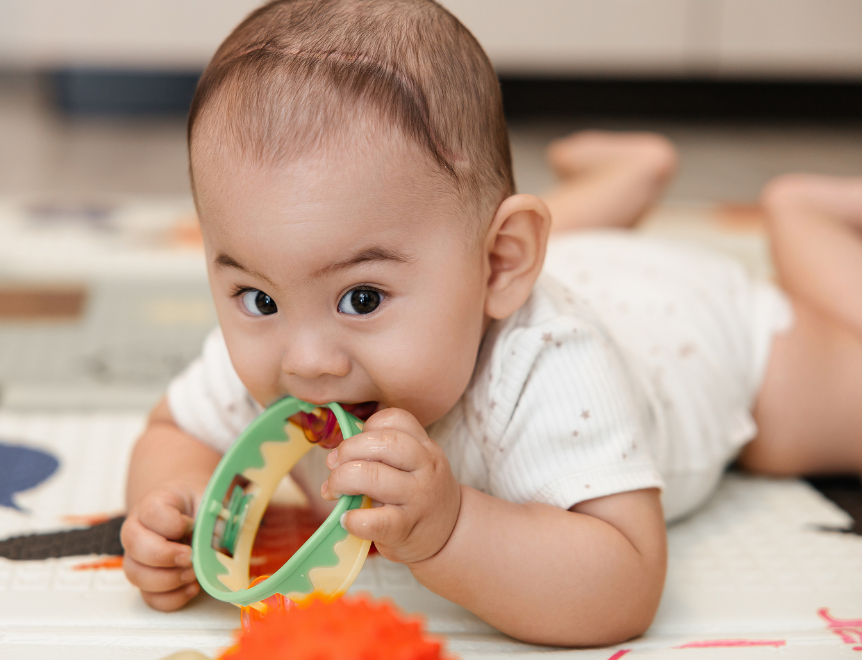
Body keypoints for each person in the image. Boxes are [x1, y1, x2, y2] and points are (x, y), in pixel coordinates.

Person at [120, 0, 862, 646]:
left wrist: (452, 532)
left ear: (503, 267)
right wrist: (177, 506)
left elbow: (622, 581)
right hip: (555, 261)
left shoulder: (553, 365)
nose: (306, 360)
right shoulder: (297, 327)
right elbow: (173, 428)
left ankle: (801, 220)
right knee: (445, 237)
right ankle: (621, 181)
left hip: (700, 331)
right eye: (256, 298)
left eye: (363, 299)